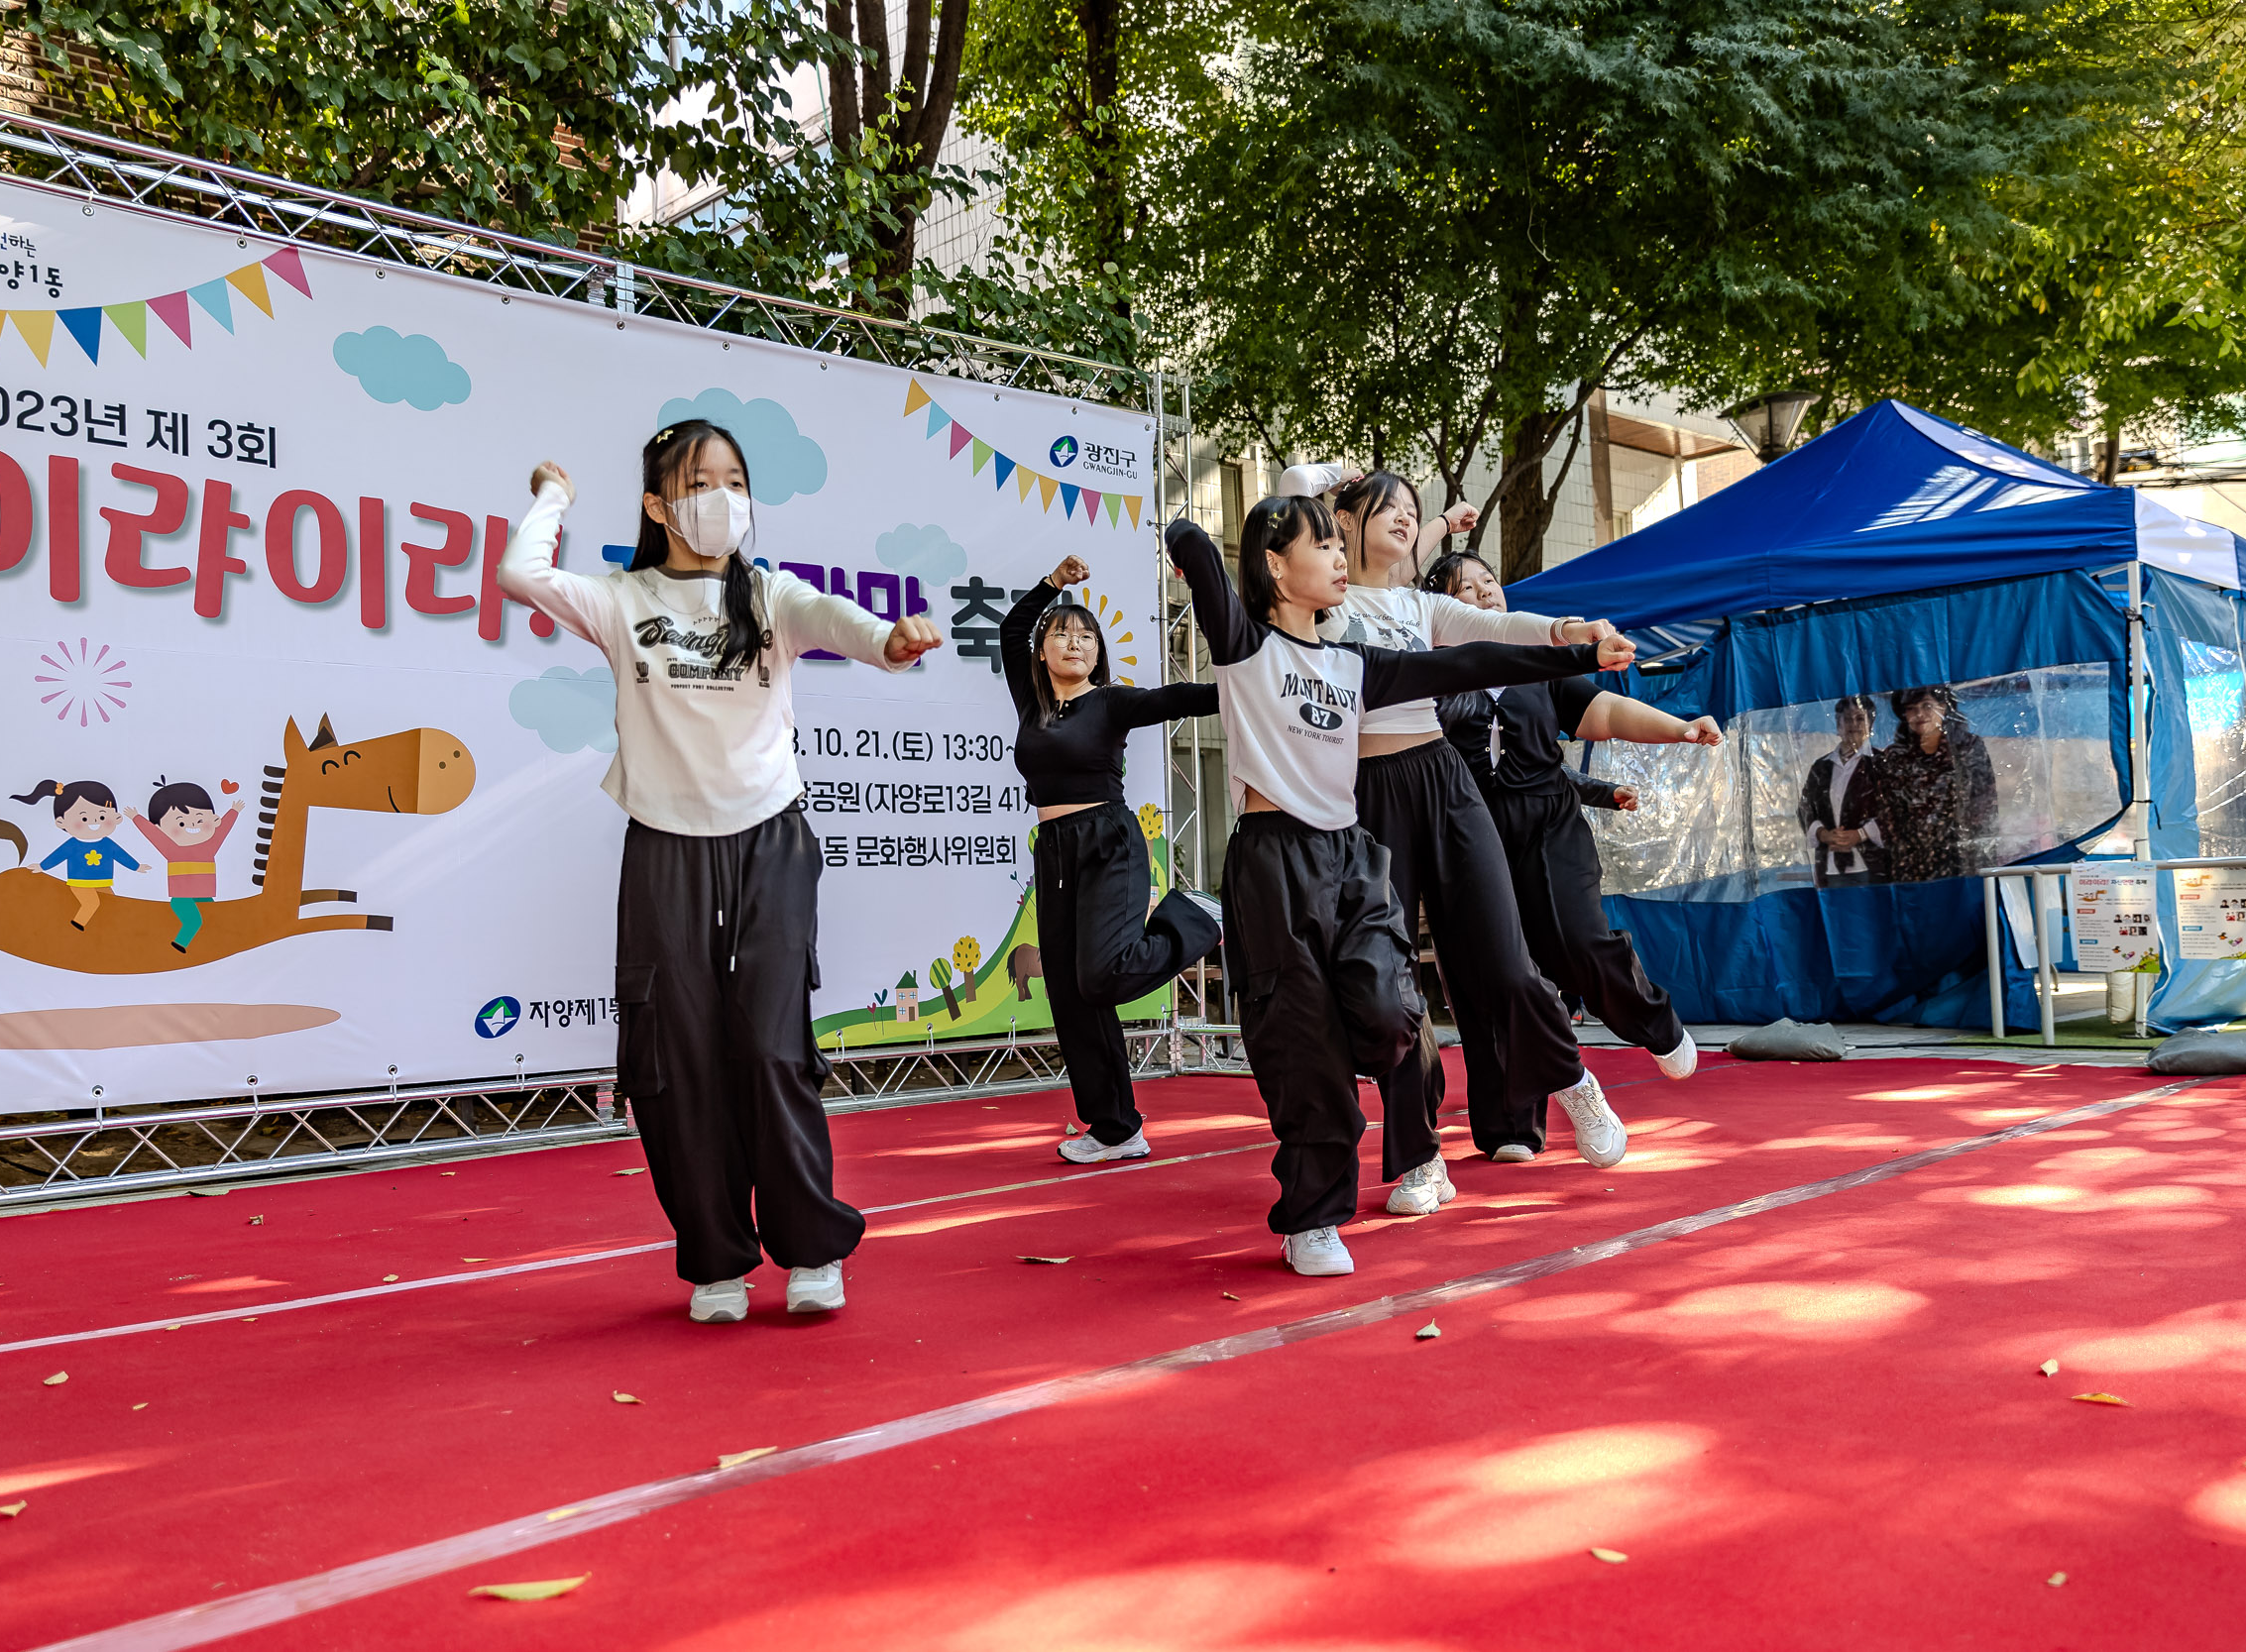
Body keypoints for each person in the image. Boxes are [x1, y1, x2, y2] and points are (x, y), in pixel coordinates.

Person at [499, 420, 944, 1325]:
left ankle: (812, 1247)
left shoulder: (770, 597)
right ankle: (716, 1258)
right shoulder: (622, 600)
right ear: (660, 504)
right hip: (664, 845)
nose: (722, 496)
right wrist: (553, 495)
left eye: (734, 479)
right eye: (700, 482)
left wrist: (887, 641)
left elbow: (835, 620)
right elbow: (521, 575)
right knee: (675, 1060)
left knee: (774, 1047)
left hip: (769, 841)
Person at [1164, 498, 1630, 1277]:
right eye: (1322, 543)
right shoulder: (1244, 647)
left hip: (1350, 859)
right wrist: (1194, 533)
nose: (1340, 557)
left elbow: (1469, 663)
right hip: (1273, 866)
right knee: (1303, 1043)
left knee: (1391, 1009)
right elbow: (1191, 542)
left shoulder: (1356, 663)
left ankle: (1433, 1141)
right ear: (1276, 565)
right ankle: (1313, 1216)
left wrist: (1576, 651)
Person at [1314, 472, 1628, 1216]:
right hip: (1366, 796)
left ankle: (1573, 1078)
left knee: (1504, 958)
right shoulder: (1322, 605)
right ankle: (1421, 1158)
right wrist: (1334, 484)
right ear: (1344, 517)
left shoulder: (1422, 605)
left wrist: (1571, 633)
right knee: (1388, 984)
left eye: (1411, 513)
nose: (1403, 519)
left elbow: (1500, 633)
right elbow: (1300, 491)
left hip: (1443, 781)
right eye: (1386, 508)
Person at [1429, 549, 1718, 1155]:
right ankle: (1512, 1125)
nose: (1485, 594)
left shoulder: (1539, 661)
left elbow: (1603, 712)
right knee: (1495, 980)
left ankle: (1655, 1022)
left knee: (1581, 940)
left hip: (1549, 823)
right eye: (1465, 588)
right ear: (1436, 608)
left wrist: (1678, 727)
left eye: (1490, 582)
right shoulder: (1431, 675)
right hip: (1468, 832)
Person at [999, 555, 1223, 1163]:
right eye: (1061, 633)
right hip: (1054, 849)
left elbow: (1182, 696)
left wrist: (1243, 684)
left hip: (1109, 842)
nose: (1074, 641)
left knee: (1100, 973)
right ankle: (1116, 1129)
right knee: (1072, 995)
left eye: (1085, 634)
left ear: (1099, 652)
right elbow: (1009, 632)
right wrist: (1051, 584)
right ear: (1043, 652)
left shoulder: (1112, 703)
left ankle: (1197, 919)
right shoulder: (1032, 702)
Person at [1875, 685, 1998, 881]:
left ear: (1944, 708)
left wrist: (1976, 848)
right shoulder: (1894, 755)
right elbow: (1886, 811)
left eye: (1927, 706)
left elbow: (1985, 802)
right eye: (1911, 708)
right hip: (1909, 864)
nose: (1920, 714)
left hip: (1962, 860)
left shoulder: (1968, 747)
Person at [129, 778, 242, 953]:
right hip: (181, 898)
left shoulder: (209, 847)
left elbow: (223, 830)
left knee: (214, 918)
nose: (192, 826)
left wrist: (233, 812)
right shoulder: (172, 849)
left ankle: (214, 946)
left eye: (199, 819)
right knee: (194, 921)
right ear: (161, 828)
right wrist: (137, 818)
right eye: (181, 822)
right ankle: (180, 943)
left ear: (214, 819)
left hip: (204, 896)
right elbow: (152, 835)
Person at [12, 779, 142, 930]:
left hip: (103, 883)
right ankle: (77, 924)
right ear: (61, 822)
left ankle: (106, 929)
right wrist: (42, 866)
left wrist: (136, 867)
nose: (94, 822)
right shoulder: (73, 845)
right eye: (84, 818)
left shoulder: (107, 844)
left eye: (102, 817)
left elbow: (121, 856)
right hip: (80, 883)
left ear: (116, 818)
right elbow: (57, 856)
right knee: (91, 903)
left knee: (112, 905)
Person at [1798, 695, 1889, 887]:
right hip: (1829, 866)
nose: (1853, 725)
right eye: (1847, 719)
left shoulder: (1882, 764)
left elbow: (1896, 811)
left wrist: (1861, 834)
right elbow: (1805, 808)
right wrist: (1823, 834)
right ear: (1838, 725)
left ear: (1870, 725)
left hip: (1872, 866)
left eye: (1859, 719)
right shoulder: (1821, 767)